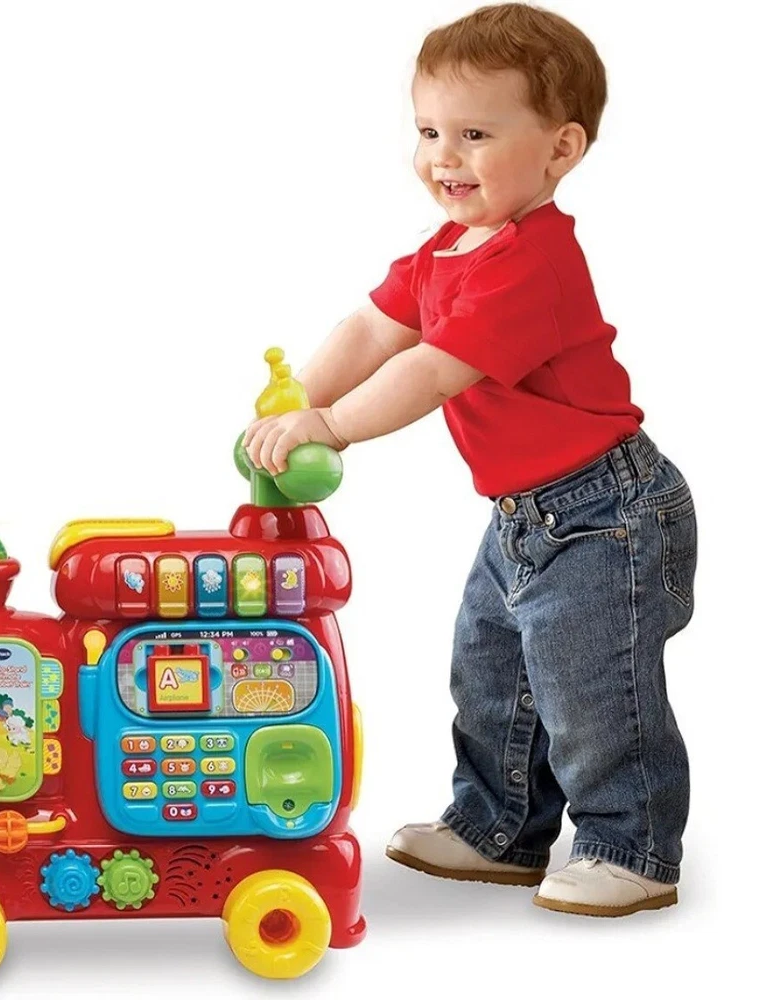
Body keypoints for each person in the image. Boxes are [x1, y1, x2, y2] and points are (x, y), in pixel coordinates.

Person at [242, 2, 697, 917]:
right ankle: (498, 830)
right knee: (491, 672)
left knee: (591, 689)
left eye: (474, 135)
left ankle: (631, 845)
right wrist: (292, 402)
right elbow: (374, 327)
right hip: (524, 514)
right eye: (428, 132)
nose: (442, 157)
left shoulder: (531, 262)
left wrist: (331, 424)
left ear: (559, 149)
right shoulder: (447, 249)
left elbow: (430, 369)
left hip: (604, 512)